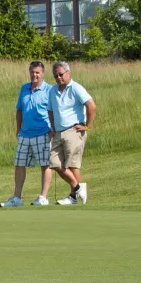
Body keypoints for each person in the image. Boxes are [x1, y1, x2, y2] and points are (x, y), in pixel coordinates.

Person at [3, 61, 53, 207]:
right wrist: (18, 129)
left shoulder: (49, 90)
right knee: (19, 164)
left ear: (42, 73)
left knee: (45, 165)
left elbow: (53, 111)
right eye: (32, 72)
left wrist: (53, 130)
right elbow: (19, 110)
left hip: (43, 132)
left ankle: (43, 197)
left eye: (37, 72)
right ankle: (17, 198)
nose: (34, 75)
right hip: (25, 133)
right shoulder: (24, 88)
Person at [48, 61, 96, 205]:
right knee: (54, 163)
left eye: (61, 75)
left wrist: (87, 126)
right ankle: (78, 187)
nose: (58, 78)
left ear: (68, 73)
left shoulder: (76, 88)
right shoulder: (52, 90)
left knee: (73, 165)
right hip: (58, 132)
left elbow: (91, 105)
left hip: (74, 130)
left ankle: (73, 197)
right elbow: (50, 110)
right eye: (55, 76)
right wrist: (53, 127)